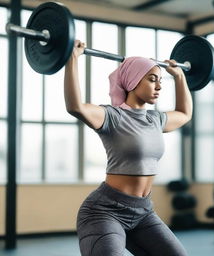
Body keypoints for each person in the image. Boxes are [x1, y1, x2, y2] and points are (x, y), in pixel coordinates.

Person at [64, 40, 193, 256]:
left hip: (143, 211)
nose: (159, 87)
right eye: (152, 80)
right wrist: (72, 59)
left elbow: (184, 114)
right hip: (104, 211)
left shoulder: (155, 119)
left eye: (161, 81)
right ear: (132, 81)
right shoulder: (112, 116)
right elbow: (75, 107)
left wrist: (179, 77)